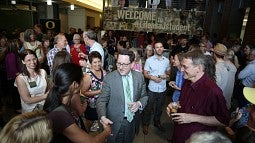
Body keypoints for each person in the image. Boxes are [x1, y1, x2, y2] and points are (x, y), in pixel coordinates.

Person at [166, 50, 230, 143]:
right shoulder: (187, 82)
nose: (182, 69)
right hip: (179, 134)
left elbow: (224, 121)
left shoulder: (212, 91)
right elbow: (183, 102)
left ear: (198, 68)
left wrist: (192, 118)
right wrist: (174, 104)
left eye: (185, 67)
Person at [43, 63, 111, 143]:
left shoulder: (66, 103)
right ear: (75, 84)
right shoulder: (60, 115)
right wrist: (107, 131)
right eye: (82, 78)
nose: (84, 80)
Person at [96, 48, 148, 143]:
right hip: (114, 123)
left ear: (132, 64)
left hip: (132, 122)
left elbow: (144, 96)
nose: (120, 67)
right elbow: (101, 100)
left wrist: (139, 104)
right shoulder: (109, 78)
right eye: (119, 63)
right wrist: (103, 117)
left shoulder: (139, 77)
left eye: (125, 64)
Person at [142, 40, 171, 135]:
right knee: (148, 108)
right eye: (157, 47)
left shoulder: (166, 61)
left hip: (162, 89)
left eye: (161, 47)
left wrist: (165, 75)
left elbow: (169, 72)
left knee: (159, 108)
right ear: (154, 49)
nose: (159, 49)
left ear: (163, 49)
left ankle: (157, 122)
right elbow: (145, 73)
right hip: (152, 88)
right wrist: (152, 77)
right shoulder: (149, 60)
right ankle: (145, 124)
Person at [81, 51, 106, 132]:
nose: (97, 64)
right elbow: (84, 92)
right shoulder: (88, 76)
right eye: (95, 62)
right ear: (90, 63)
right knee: (89, 123)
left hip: (102, 104)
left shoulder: (103, 71)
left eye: (99, 61)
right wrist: (99, 91)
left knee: (102, 122)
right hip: (92, 106)